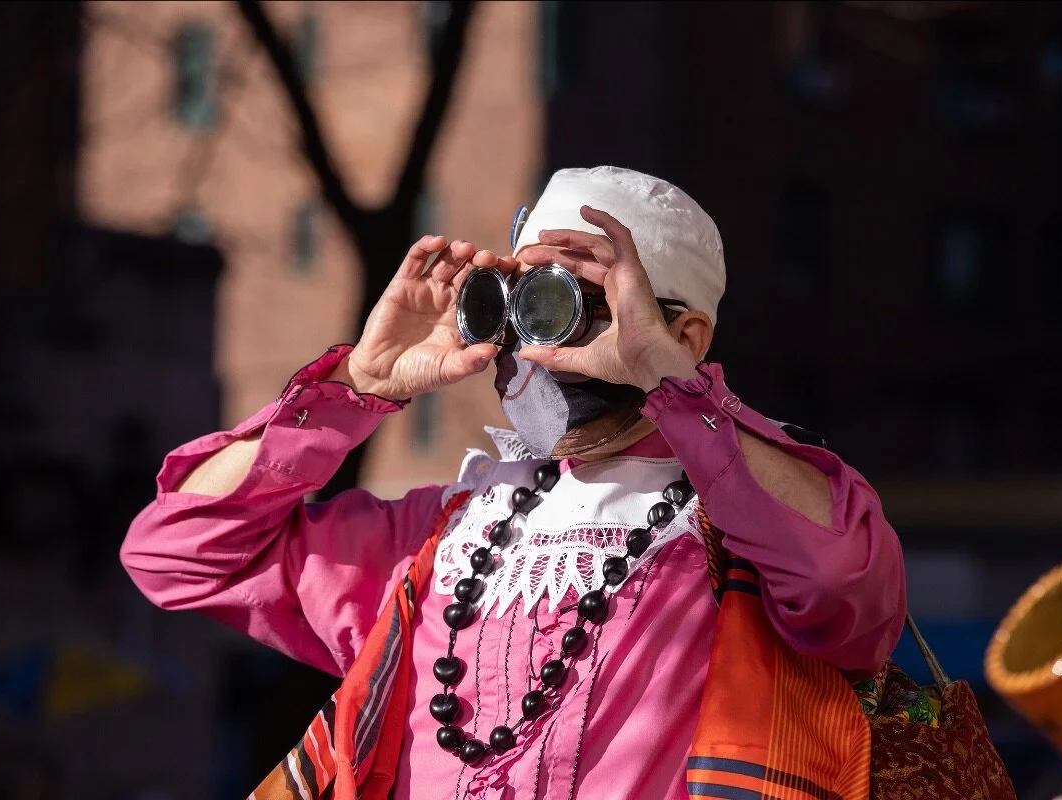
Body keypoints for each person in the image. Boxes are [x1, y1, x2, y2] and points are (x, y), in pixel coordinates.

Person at [121, 166, 907, 800]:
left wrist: (672, 382)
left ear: (685, 334)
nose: (530, 346)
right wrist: (360, 382)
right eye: (516, 306)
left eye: (567, 305)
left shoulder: (753, 528)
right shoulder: (441, 537)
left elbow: (841, 587)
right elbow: (178, 551)